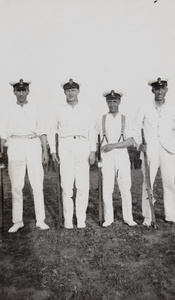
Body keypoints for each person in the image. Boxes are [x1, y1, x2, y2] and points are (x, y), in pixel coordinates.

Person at [1, 79, 49, 232]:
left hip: (33, 144)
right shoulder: (7, 110)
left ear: (28, 91)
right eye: (18, 90)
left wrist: (45, 151)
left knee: (37, 184)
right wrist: (0, 148)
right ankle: (17, 221)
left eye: (23, 90)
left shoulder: (35, 108)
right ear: (14, 92)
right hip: (15, 145)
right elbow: (2, 132)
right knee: (16, 185)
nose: (21, 93)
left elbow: (42, 130)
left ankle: (40, 220)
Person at [48, 79, 96, 229]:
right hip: (66, 145)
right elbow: (51, 131)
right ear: (64, 92)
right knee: (67, 185)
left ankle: (81, 218)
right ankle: (68, 219)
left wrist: (93, 150)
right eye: (68, 91)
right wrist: (53, 151)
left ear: (78, 91)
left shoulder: (87, 110)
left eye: (73, 90)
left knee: (82, 185)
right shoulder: (59, 110)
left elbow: (92, 131)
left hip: (83, 145)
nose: (71, 93)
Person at [133, 77, 175, 226]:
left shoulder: (172, 108)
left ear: (166, 90)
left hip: (168, 150)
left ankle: (171, 215)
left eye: (162, 88)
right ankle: (148, 216)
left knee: (170, 182)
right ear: (153, 90)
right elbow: (136, 127)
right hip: (149, 150)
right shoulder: (144, 107)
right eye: (157, 89)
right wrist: (139, 144)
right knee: (148, 182)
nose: (159, 92)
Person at [96, 90, 137, 227]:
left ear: (119, 102)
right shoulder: (101, 119)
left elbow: (130, 141)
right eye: (109, 101)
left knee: (125, 187)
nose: (112, 104)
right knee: (107, 188)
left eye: (115, 101)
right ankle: (109, 218)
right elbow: (96, 140)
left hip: (121, 155)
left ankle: (128, 218)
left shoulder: (125, 119)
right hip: (106, 156)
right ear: (106, 102)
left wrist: (114, 145)